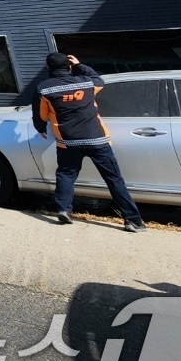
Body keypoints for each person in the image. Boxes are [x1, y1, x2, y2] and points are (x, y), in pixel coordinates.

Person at [32, 52, 145, 231]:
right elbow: (99, 80)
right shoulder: (86, 82)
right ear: (69, 66)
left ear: (48, 67)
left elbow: (40, 115)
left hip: (68, 142)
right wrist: (79, 65)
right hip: (97, 139)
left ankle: (64, 209)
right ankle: (133, 221)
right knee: (113, 179)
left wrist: (40, 128)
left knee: (66, 174)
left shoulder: (44, 88)